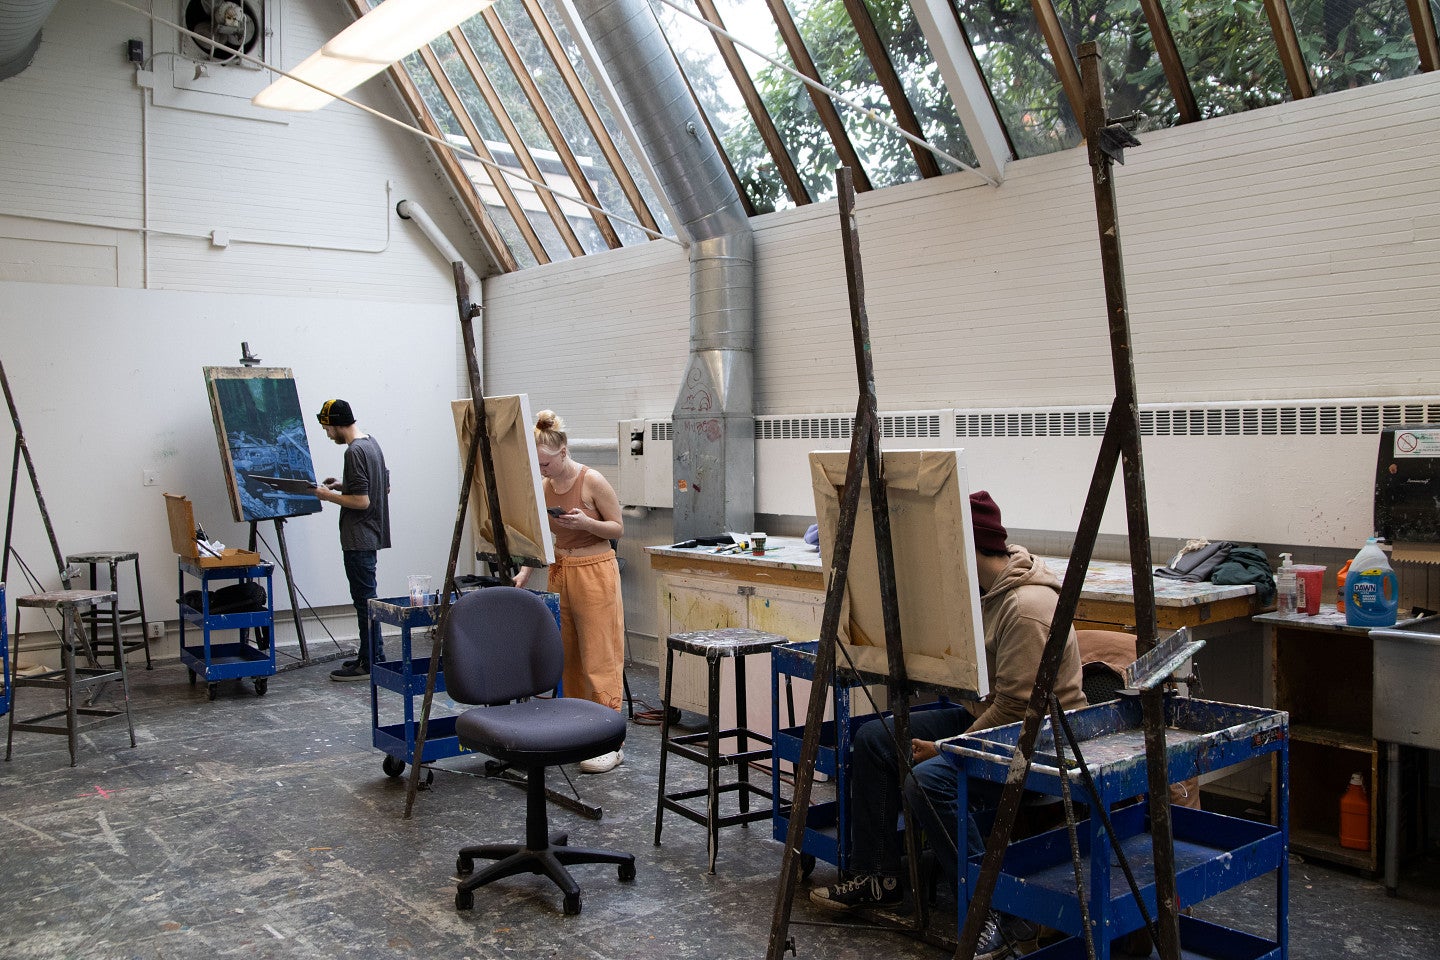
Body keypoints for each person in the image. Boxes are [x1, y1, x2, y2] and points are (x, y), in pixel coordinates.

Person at [809, 491, 1088, 958]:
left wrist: (948, 748)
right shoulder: (987, 592)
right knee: (875, 738)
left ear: (967, 545)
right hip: (992, 716)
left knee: (927, 782)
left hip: (1038, 741)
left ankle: (999, 911)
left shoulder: (1025, 608)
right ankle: (878, 875)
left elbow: (1020, 714)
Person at [513, 410, 627, 774]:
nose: (543, 469)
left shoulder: (592, 481)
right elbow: (542, 535)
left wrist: (586, 522)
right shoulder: (544, 487)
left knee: (599, 654)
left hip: (595, 572)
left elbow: (617, 528)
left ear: (563, 452)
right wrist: (526, 569)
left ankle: (611, 740)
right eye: (538, 464)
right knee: (569, 655)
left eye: (546, 462)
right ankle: (581, 731)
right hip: (561, 572)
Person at [310, 399, 391, 682]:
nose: (327, 434)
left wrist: (326, 495)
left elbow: (361, 500)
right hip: (371, 534)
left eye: (327, 428)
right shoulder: (371, 443)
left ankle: (370, 663)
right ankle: (371, 656)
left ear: (336, 423)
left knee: (363, 602)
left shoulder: (354, 451)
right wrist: (342, 485)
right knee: (367, 600)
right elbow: (384, 485)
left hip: (359, 537)